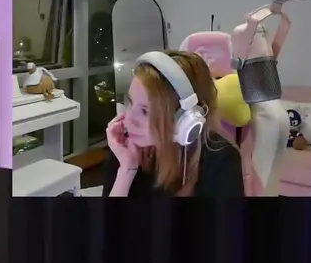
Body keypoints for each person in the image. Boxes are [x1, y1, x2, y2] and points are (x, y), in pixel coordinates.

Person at [104, 50, 244, 197]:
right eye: (131, 102)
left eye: (145, 111)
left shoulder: (221, 162)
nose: (129, 119)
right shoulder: (124, 148)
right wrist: (126, 170)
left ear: (184, 119)